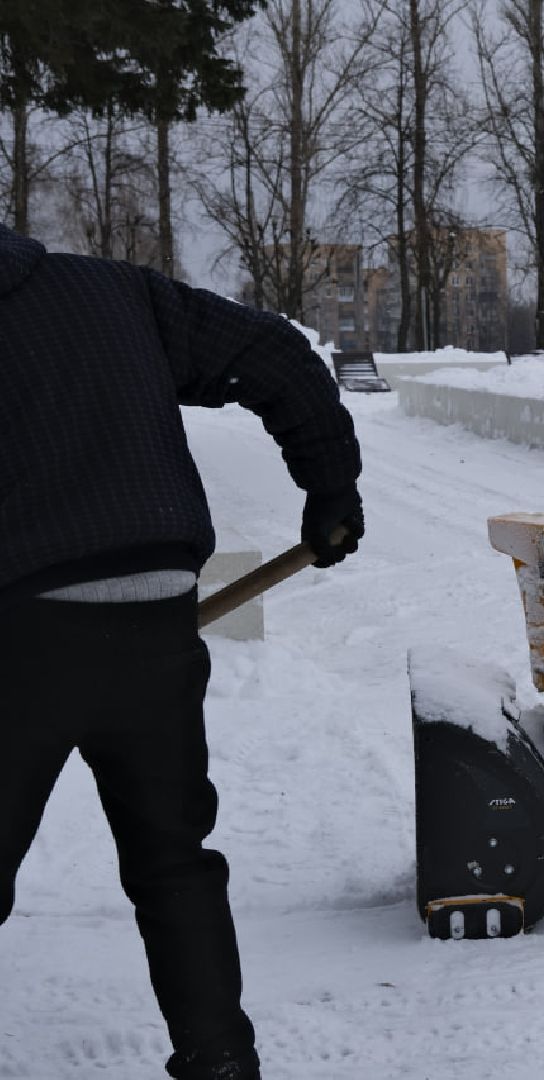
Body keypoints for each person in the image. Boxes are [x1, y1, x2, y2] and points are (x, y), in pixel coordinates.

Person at [0, 222, 364, 1080]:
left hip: (24, 635)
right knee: (173, 865)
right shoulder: (110, 288)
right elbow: (271, 351)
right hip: (156, 617)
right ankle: (222, 1063)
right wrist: (330, 486)